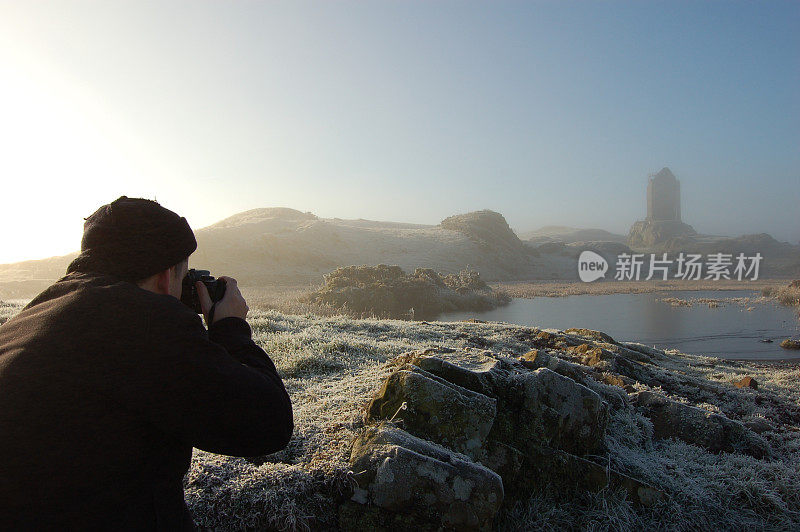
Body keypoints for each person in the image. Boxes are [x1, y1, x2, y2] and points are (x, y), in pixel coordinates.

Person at [0, 196, 293, 529]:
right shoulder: (137, 321)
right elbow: (268, 424)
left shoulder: (30, 317)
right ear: (166, 276)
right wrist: (230, 329)